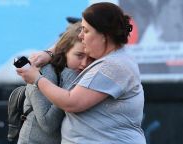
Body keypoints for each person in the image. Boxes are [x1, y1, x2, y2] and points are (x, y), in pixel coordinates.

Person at [17, 2, 146, 144]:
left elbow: (71, 102)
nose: (81, 35)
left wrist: (36, 78)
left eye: (86, 30)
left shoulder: (113, 66)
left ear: (104, 35)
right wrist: (51, 52)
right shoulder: (112, 57)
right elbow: (71, 42)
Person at [17, 22, 94, 144]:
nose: (85, 63)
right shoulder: (44, 70)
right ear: (64, 52)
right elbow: (48, 125)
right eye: (79, 55)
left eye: (91, 58)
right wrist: (71, 82)